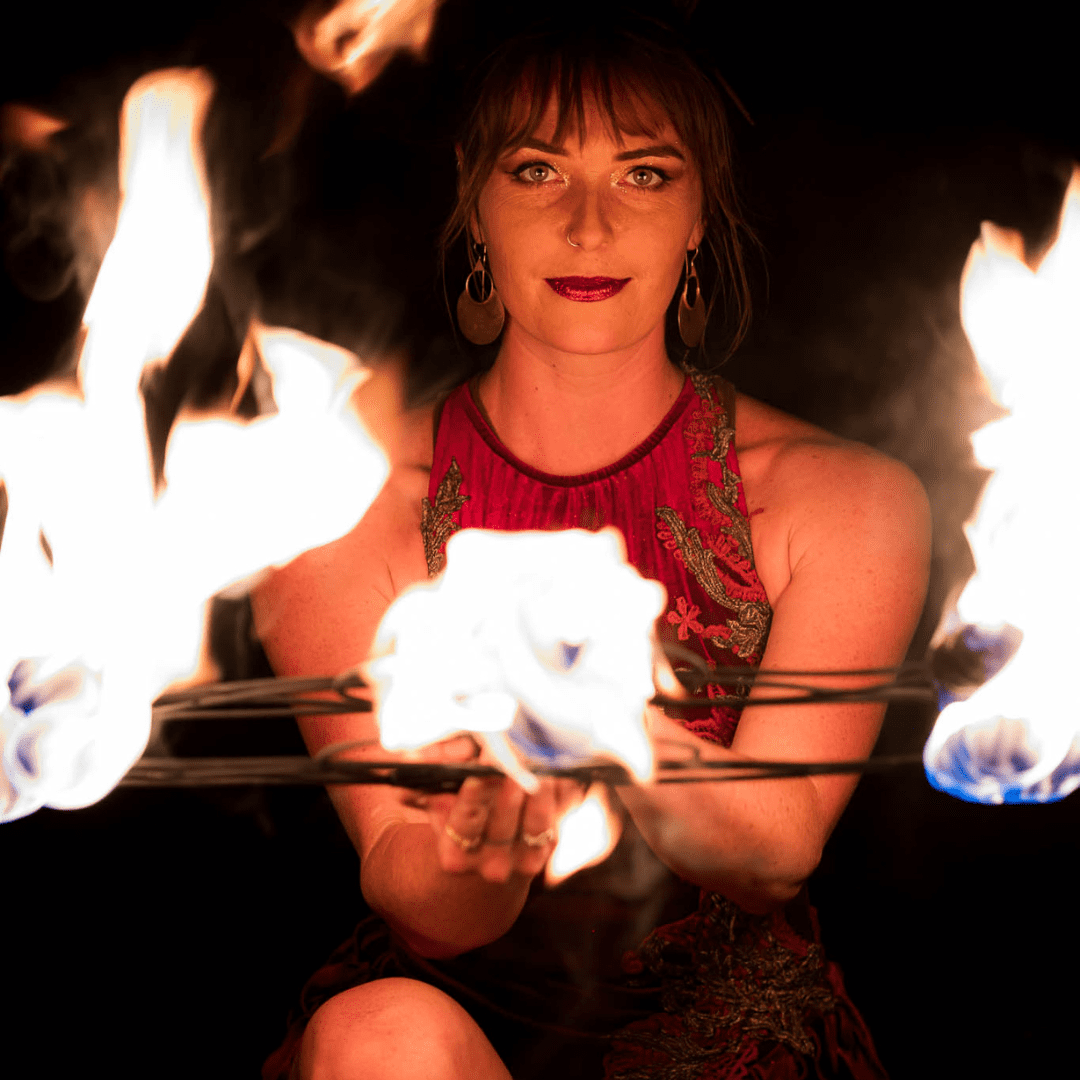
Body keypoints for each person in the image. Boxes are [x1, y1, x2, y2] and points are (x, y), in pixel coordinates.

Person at [253, 15, 931, 1080]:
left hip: (733, 1050)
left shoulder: (844, 499)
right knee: (377, 1035)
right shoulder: (344, 508)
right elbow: (418, 899)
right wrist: (486, 839)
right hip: (440, 1038)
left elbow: (777, 853)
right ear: (475, 198)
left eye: (644, 175)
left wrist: (594, 719)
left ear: (700, 215)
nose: (588, 225)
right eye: (537, 171)